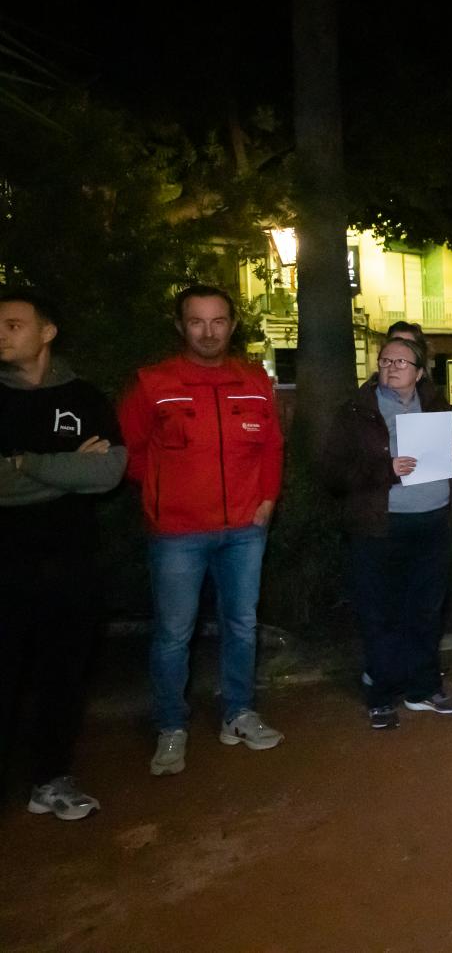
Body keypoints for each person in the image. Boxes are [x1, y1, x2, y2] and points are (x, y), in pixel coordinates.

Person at [119, 285, 284, 774]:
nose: (208, 331)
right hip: (177, 534)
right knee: (173, 632)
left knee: (242, 625)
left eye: (218, 321)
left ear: (232, 325)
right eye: (197, 321)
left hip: (244, 530)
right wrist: (164, 497)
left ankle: (239, 712)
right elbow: (128, 451)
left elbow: (272, 446)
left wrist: (269, 499)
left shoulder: (254, 380)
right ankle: (171, 725)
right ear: (180, 326)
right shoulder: (154, 383)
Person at [0, 291, 126, 819]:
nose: (2, 335)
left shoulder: (86, 398)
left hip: (72, 563)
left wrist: (23, 463)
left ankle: (50, 778)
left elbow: (108, 472)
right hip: (4, 565)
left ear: (46, 332)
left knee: (63, 674)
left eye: (12, 325)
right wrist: (63, 472)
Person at [323, 336, 452, 728]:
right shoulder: (357, 411)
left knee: (426, 609)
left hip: (433, 522)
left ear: (420, 372)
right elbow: (332, 472)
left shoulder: (438, 407)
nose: (391, 367)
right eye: (385, 360)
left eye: (401, 362)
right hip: (381, 526)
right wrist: (385, 470)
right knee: (381, 611)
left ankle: (423, 688)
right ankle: (382, 693)